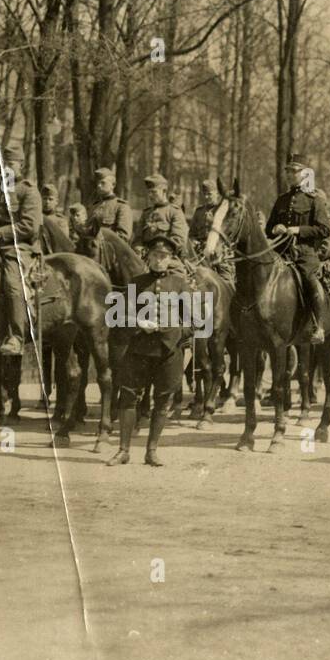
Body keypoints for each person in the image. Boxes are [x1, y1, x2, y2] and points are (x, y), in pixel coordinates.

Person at [107, 232, 188, 468]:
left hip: (168, 352)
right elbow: (117, 316)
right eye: (155, 255)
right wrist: (139, 323)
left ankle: (151, 451)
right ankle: (123, 450)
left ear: (171, 259)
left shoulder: (180, 284)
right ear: (148, 257)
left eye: (164, 256)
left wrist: (173, 331)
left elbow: (196, 322)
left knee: (162, 401)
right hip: (138, 351)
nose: (159, 260)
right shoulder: (136, 283)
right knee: (128, 398)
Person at [0, 141, 42, 356]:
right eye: (4, 163)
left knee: (12, 284)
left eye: (11, 163)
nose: (7, 167)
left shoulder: (28, 191)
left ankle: (16, 337)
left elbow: (29, 226)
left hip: (19, 247)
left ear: (21, 164)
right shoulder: (0, 190)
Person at [266, 154, 330, 344]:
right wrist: (275, 228)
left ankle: (318, 326)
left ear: (305, 174)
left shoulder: (314, 200)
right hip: (281, 252)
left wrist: (298, 230)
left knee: (310, 280)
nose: (289, 174)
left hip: (305, 253)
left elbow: (324, 230)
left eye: (293, 171)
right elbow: (268, 228)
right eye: (287, 171)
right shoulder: (281, 200)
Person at [190, 177, 234, 282]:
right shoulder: (199, 212)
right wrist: (194, 242)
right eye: (204, 194)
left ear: (217, 194)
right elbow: (191, 234)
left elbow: (230, 235)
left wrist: (220, 247)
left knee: (226, 280)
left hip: (220, 253)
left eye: (209, 194)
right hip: (200, 253)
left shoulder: (223, 211)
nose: (206, 197)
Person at [86, 166, 134, 242]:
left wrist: (100, 241)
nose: (99, 185)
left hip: (111, 249)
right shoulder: (93, 206)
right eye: (98, 183)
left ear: (113, 185)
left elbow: (123, 236)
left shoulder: (121, 207)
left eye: (103, 183)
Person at [40, 181, 71, 253]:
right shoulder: (35, 218)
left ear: (56, 201)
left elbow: (63, 244)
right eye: (44, 198)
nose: (47, 202)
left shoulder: (61, 221)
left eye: (50, 199)